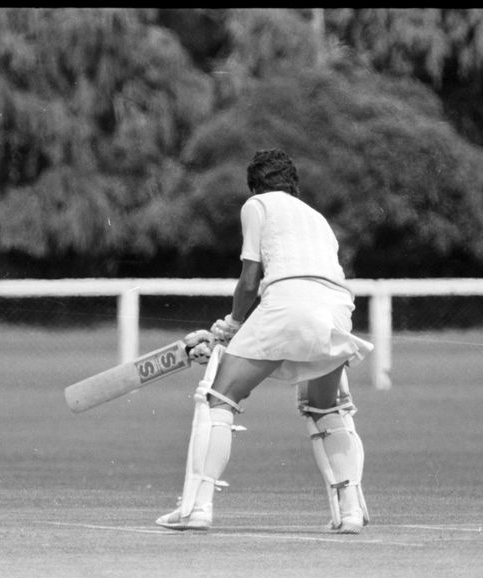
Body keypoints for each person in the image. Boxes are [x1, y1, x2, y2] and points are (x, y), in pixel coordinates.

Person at [156, 148, 374, 534]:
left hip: (287, 302)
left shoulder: (257, 205)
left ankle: (196, 508)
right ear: (293, 184)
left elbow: (250, 280)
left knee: (218, 397)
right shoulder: (318, 218)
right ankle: (351, 511)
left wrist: (233, 324)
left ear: (254, 185)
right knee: (326, 408)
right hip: (337, 308)